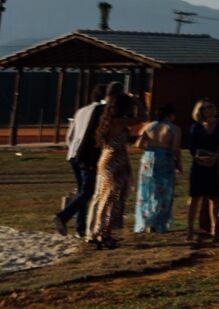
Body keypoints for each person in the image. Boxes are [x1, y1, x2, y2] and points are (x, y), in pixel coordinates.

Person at [54, 83, 110, 239]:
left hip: (73, 154)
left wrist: (72, 149)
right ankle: (63, 216)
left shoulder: (81, 111)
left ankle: (80, 228)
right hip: (86, 156)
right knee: (87, 192)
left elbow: (70, 135)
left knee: (82, 192)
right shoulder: (100, 111)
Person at [84, 91, 137, 250]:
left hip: (106, 159)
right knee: (111, 198)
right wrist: (137, 102)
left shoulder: (107, 120)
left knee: (103, 197)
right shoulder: (119, 122)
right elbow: (145, 118)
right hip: (115, 161)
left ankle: (98, 232)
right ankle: (103, 233)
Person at [183, 99, 219, 249]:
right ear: (200, 111)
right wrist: (201, 157)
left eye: (210, 107)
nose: (208, 110)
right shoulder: (196, 127)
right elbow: (191, 147)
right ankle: (190, 229)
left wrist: (216, 157)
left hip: (215, 164)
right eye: (205, 108)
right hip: (199, 164)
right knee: (194, 197)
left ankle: (215, 230)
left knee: (214, 198)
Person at [133, 105, 180, 235]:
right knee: (163, 192)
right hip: (164, 159)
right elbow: (175, 148)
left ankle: (145, 222)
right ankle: (158, 223)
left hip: (148, 159)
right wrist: (178, 164)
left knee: (146, 191)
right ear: (170, 115)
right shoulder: (174, 129)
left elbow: (138, 144)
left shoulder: (149, 126)